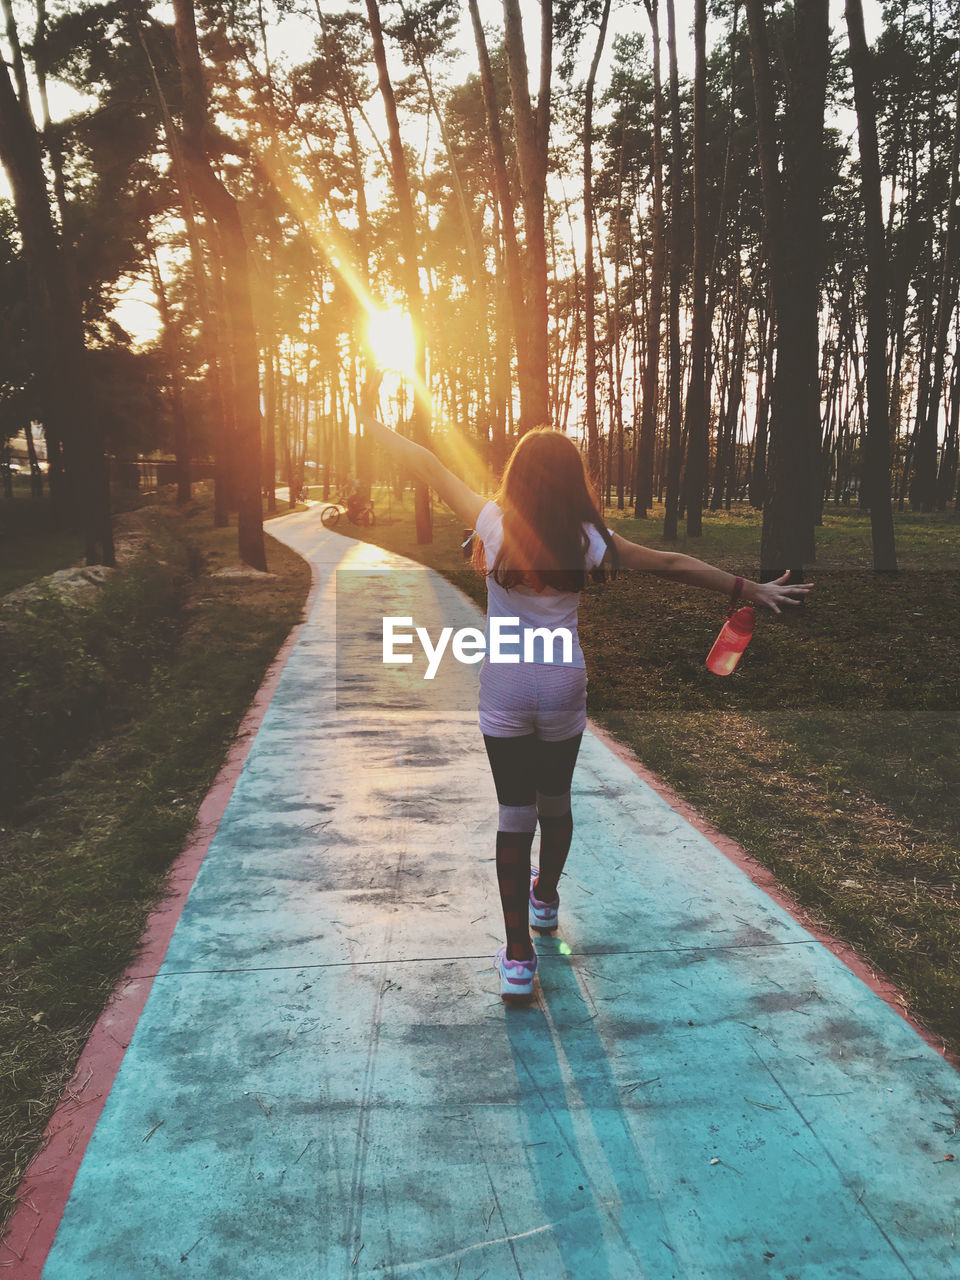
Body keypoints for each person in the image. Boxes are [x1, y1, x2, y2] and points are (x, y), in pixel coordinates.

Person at [360, 419, 814, 1001]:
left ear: (516, 477)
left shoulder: (491, 522)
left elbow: (426, 463)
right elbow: (673, 564)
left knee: (513, 816)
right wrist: (747, 590)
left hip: (506, 682)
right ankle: (545, 900)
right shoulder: (590, 539)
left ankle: (519, 959)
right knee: (556, 803)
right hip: (561, 682)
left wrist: (379, 430)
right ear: (574, 482)